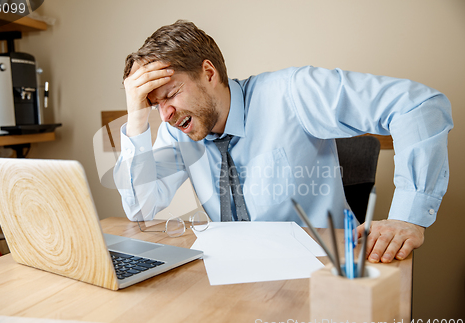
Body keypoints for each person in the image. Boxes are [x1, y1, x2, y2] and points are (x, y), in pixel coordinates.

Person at [114, 20, 453, 263]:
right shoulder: (176, 129)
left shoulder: (294, 92)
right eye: (154, 104)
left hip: (324, 264)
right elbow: (142, 210)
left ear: (208, 73)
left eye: (170, 95)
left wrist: (408, 216)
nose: (166, 114)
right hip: (234, 270)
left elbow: (420, 104)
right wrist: (136, 117)